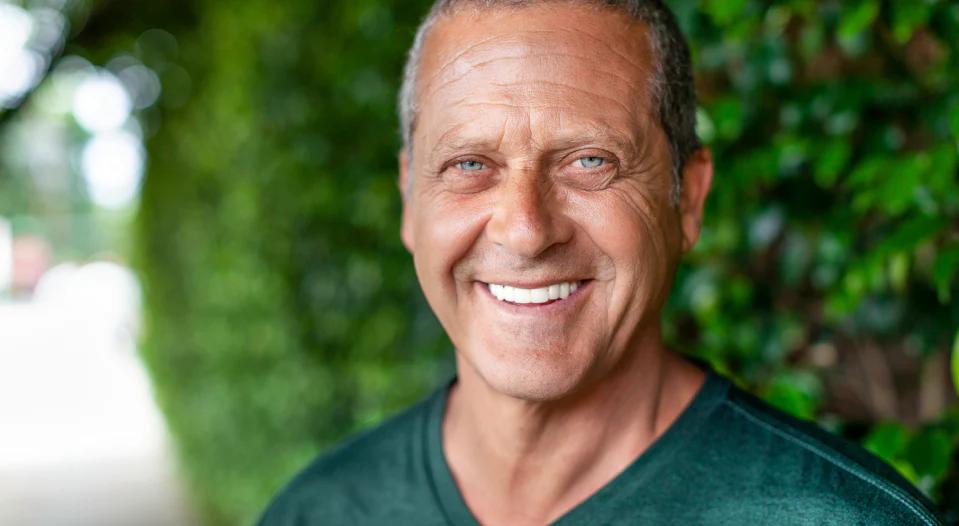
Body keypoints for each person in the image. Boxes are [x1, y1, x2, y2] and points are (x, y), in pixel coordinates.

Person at [258, 1, 945, 524]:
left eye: (590, 162)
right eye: (469, 165)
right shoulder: (318, 511)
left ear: (686, 199)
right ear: (410, 200)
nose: (526, 232)